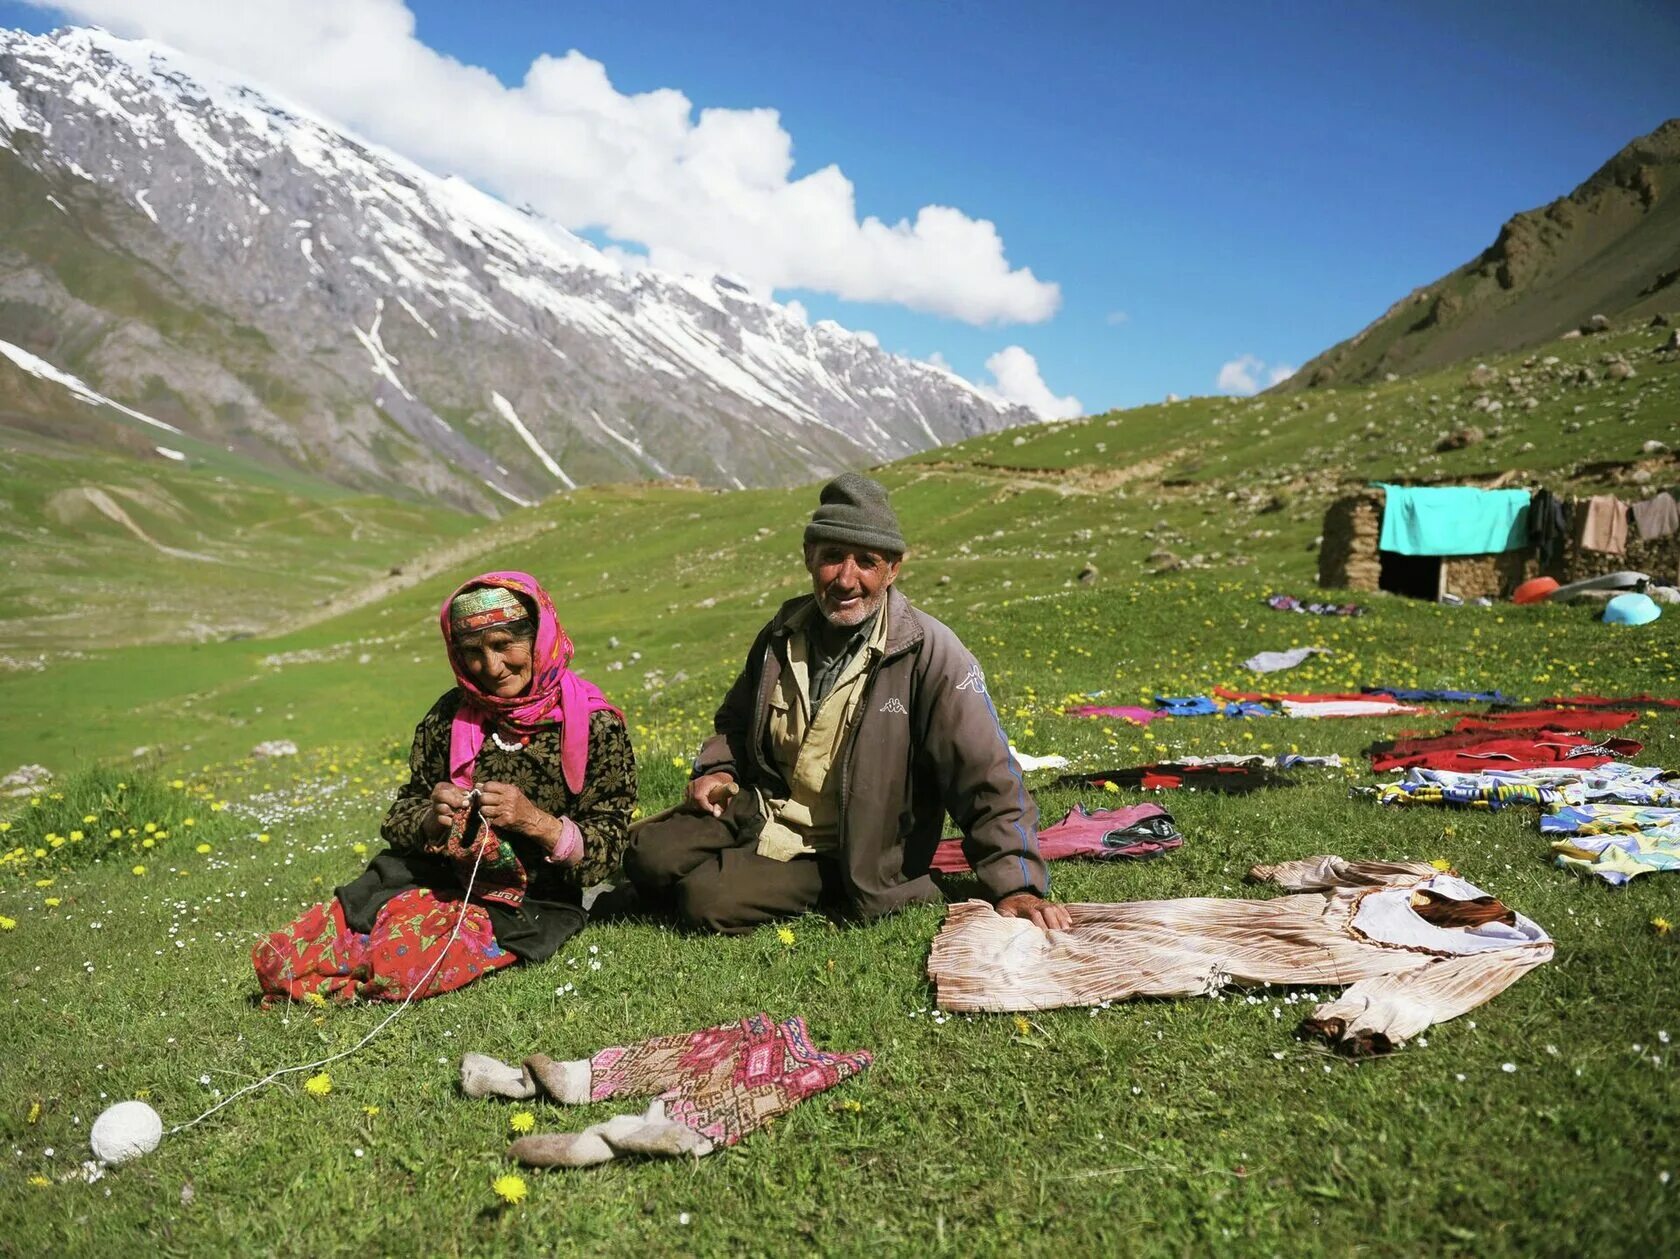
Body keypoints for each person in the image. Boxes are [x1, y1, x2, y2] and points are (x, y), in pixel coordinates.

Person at [625, 473, 1068, 935]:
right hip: (763, 809)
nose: (846, 579)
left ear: (893, 569)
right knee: (644, 856)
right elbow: (735, 721)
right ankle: (728, 867)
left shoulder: (929, 652)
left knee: (706, 900)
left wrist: (1017, 884)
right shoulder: (782, 632)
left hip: (852, 847)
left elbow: (986, 774)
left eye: (867, 562)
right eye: (832, 557)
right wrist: (718, 770)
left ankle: (883, 889)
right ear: (808, 558)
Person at [253, 570, 635, 1004]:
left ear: (539, 638)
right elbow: (401, 814)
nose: (491, 667)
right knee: (280, 959)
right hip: (428, 881)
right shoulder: (449, 716)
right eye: (473, 652)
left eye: (504, 645)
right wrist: (432, 819)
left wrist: (535, 821)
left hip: (526, 903)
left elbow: (610, 846)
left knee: (399, 970)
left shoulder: (597, 727)